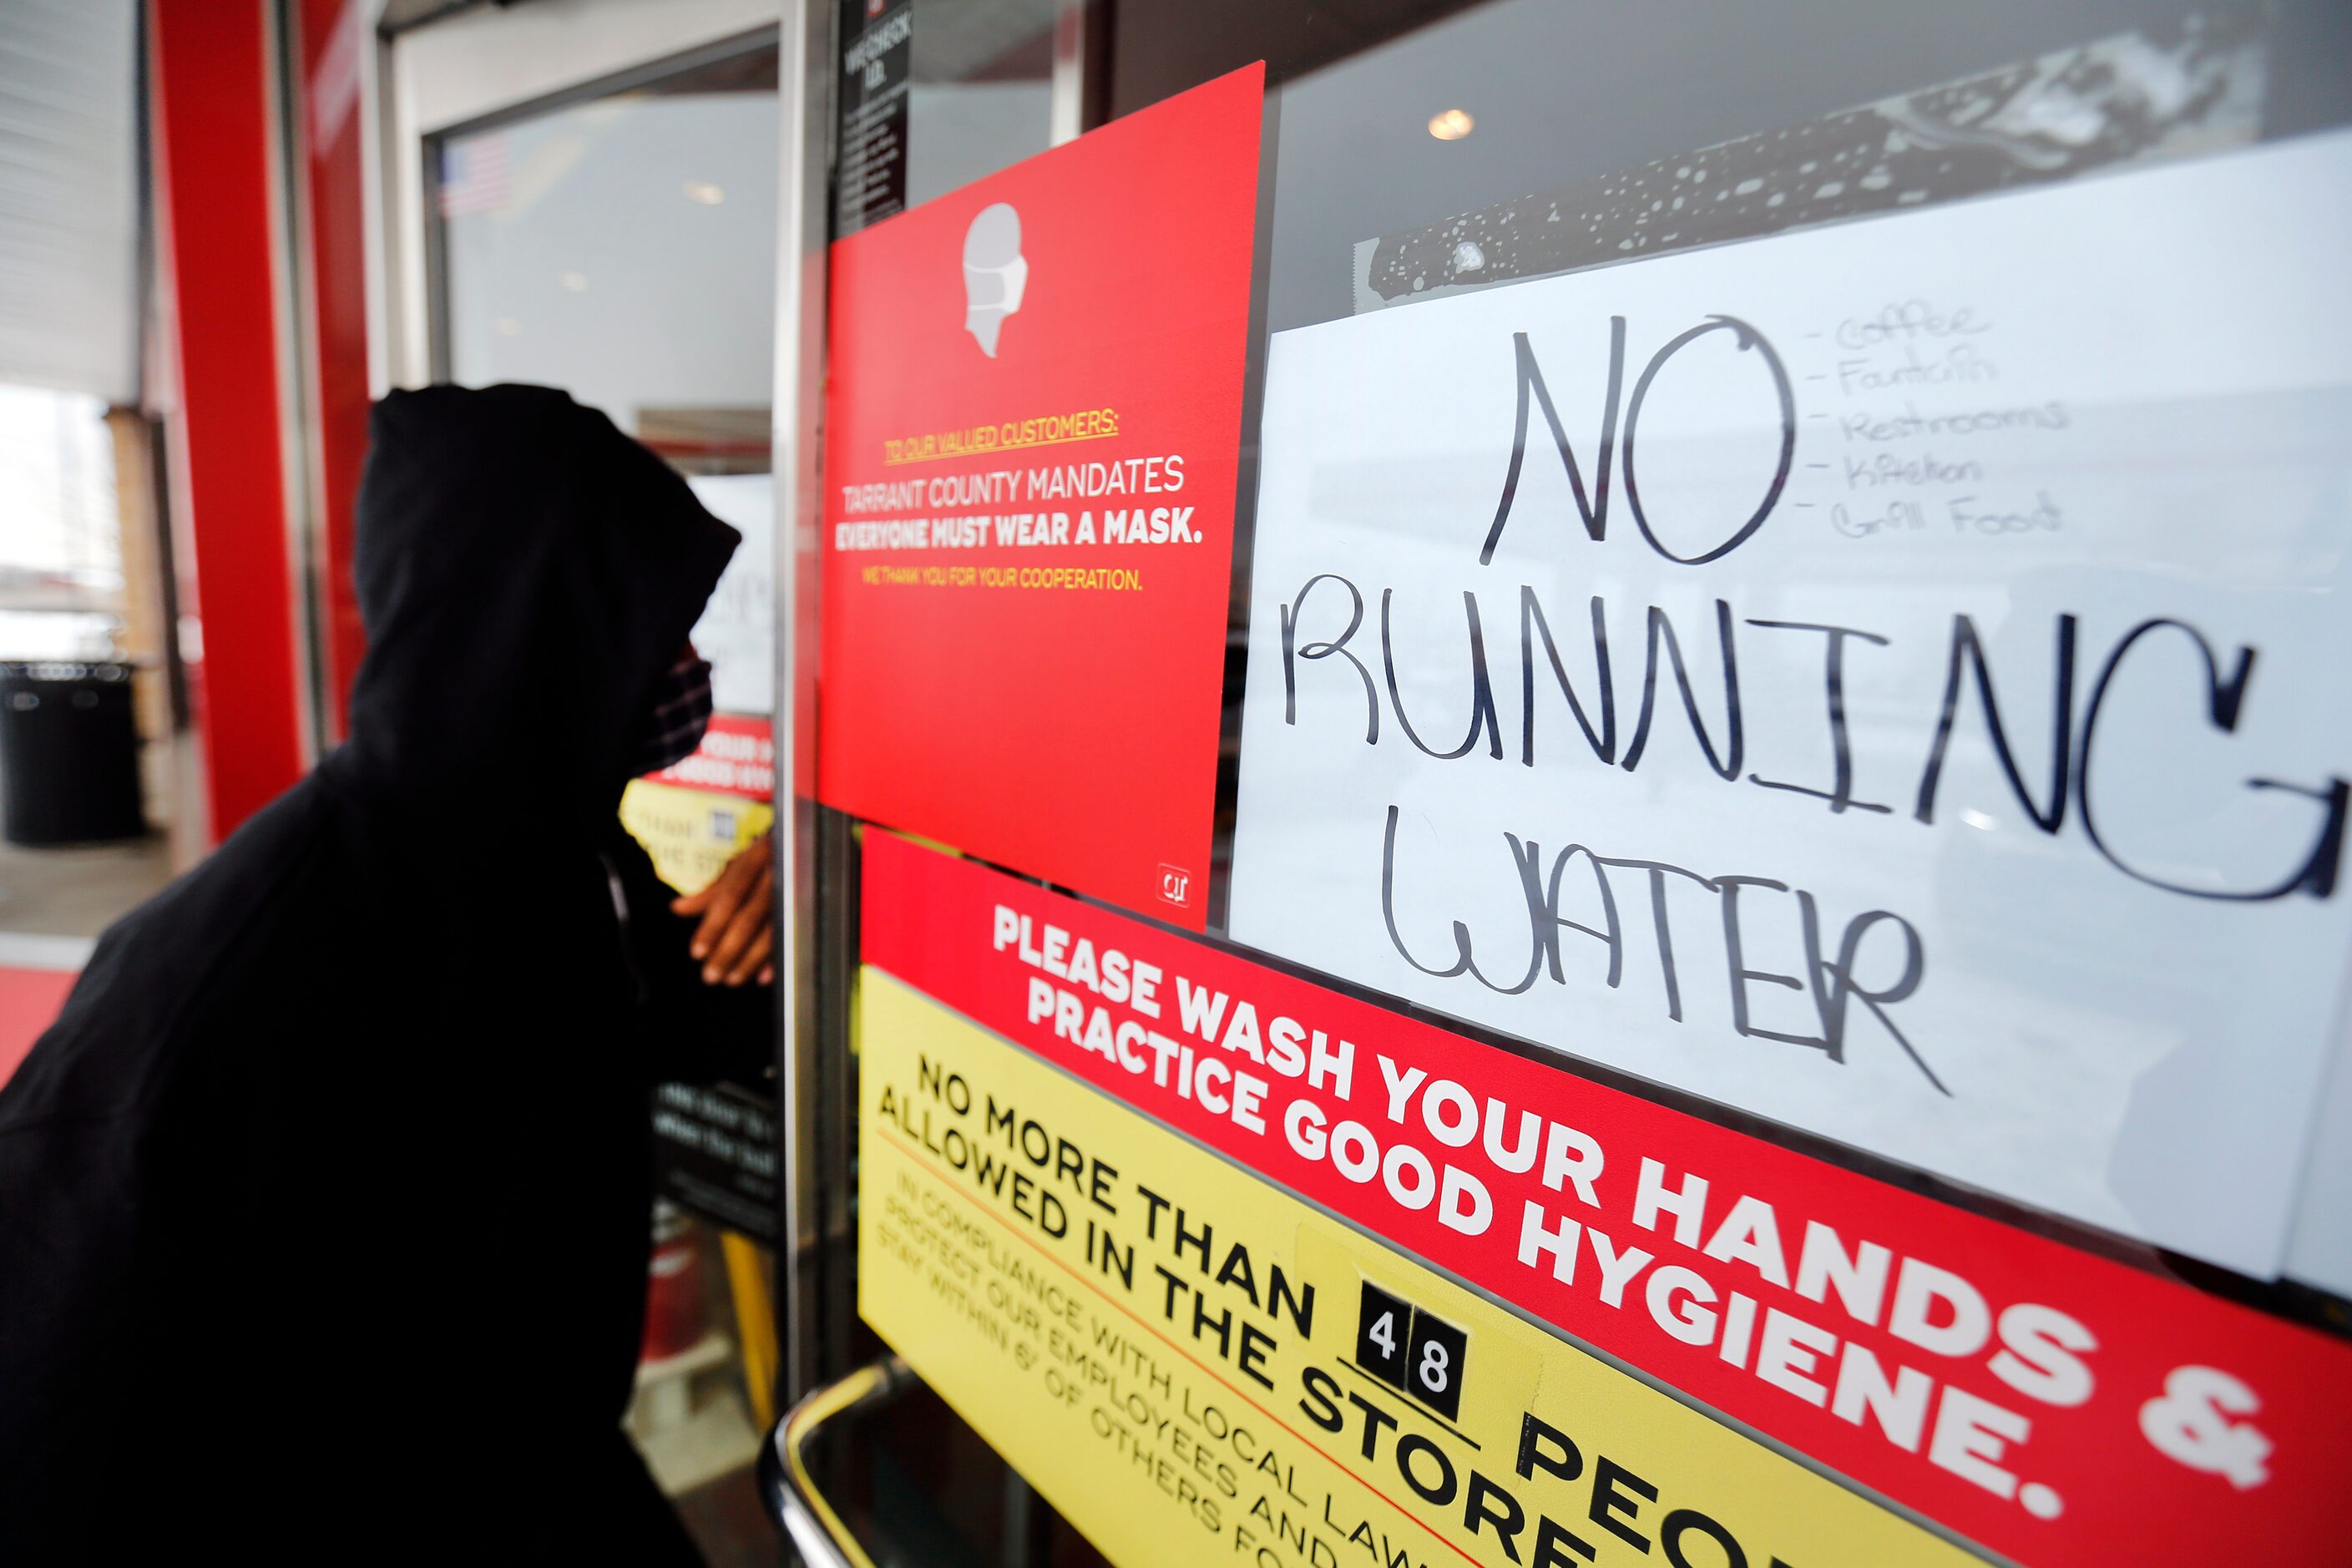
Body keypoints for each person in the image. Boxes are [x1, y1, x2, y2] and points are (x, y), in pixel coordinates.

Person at [0, 385, 771, 1564]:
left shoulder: (562, 859)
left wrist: (809, 883)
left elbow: (679, 1021)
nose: (686, 661)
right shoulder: (220, 972)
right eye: (651, 620)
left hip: (531, 1463)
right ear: (546, 627)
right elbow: (50, 1400)